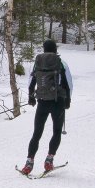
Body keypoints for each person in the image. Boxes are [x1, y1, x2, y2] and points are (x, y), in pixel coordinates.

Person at [20, 39, 73, 175]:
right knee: (56, 131)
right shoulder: (61, 63)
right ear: (55, 49)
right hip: (58, 102)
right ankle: (49, 160)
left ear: (44, 49)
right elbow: (68, 83)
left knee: (37, 133)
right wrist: (68, 100)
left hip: (42, 101)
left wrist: (31, 97)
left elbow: (31, 82)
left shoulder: (38, 63)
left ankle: (29, 163)